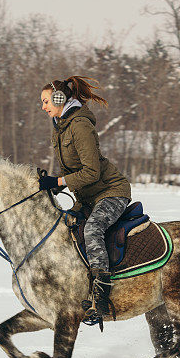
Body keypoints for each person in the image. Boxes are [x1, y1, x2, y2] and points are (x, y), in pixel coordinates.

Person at [38, 76, 132, 321]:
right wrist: (49, 185)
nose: (43, 107)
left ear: (60, 99)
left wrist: (58, 182)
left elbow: (91, 172)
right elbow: (72, 171)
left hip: (111, 192)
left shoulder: (79, 125)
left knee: (92, 229)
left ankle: (101, 295)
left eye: (46, 101)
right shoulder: (61, 127)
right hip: (88, 197)